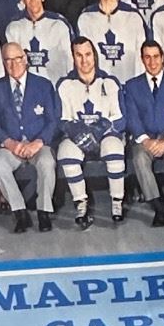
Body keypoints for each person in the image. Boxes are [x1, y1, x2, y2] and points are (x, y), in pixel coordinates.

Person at [0, 43, 59, 233]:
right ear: (3, 63)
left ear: (25, 59)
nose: (13, 64)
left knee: (47, 163)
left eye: (17, 59)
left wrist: (38, 142)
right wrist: (9, 143)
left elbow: (53, 121)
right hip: (11, 146)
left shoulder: (43, 85)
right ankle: (20, 212)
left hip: (38, 144)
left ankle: (44, 212)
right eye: (8, 60)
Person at [55, 36, 128, 227]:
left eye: (88, 54)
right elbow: (62, 119)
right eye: (79, 55)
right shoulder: (65, 84)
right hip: (79, 138)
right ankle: (81, 202)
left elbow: (120, 118)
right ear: (73, 57)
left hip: (105, 135)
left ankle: (117, 201)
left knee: (114, 148)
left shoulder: (110, 82)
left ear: (94, 55)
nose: (84, 60)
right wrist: (79, 133)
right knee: (66, 153)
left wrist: (98, 130)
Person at [122, 40, 164, 227]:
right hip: (145, 140)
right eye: (147, 57)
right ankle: (158, 207)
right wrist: (146, 140)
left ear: (163, 58)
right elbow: (132, 118)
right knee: (139, 158)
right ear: (142, 59)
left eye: (156, 57)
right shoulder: (132, 86)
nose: (152, 62)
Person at [78, 0, 148, 87]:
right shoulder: (86, 18)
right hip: (100, 86)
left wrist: (138, 85)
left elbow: (141, 54)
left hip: (129, 84)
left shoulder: (133, 16)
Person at [4, 0, 73, 86]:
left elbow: (69, 61)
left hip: (55, 86)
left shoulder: (59, 24)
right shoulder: (14, 27)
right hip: (27, 88)